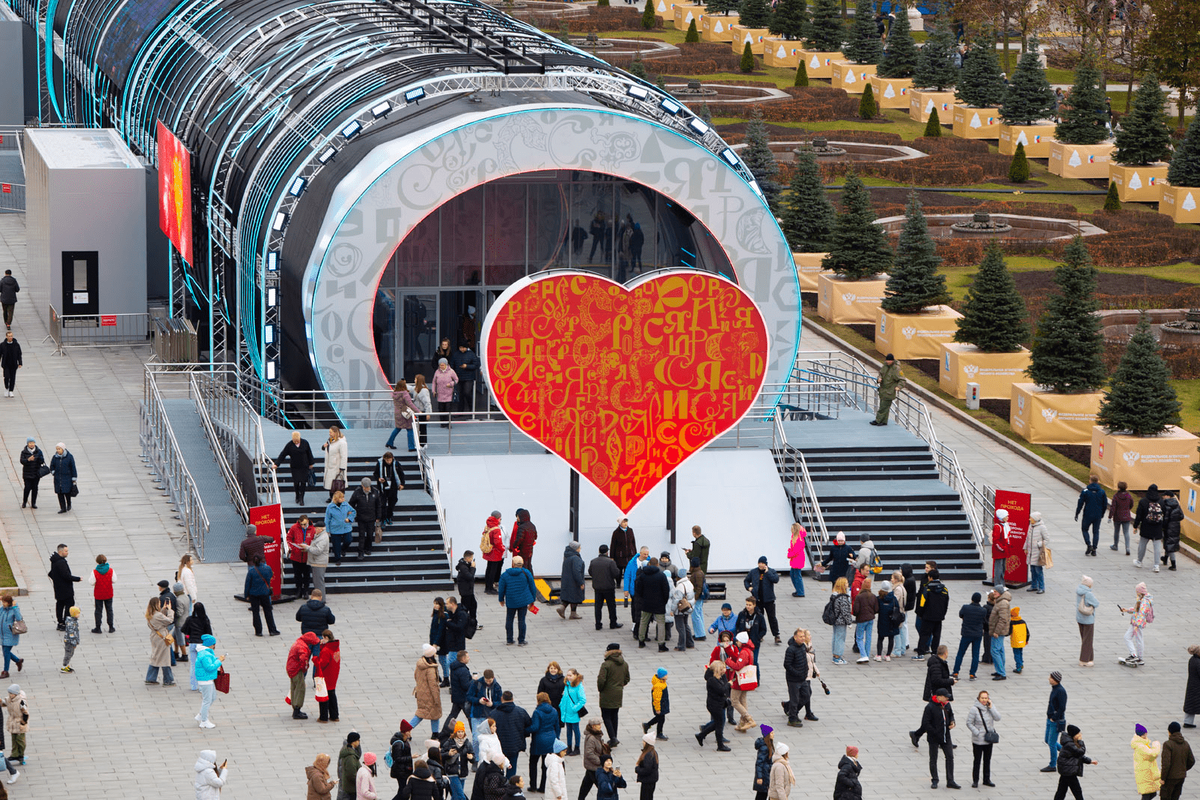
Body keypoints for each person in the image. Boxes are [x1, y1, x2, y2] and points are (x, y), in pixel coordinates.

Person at [912, 689, 959, 789]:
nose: (947, 698)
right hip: (934, 738)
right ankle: (935, 780)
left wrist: (952, 722)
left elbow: (951, 715)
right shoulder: (930, 707)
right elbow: (926, 723)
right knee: (933, 759)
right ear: (939, 696)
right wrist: (935, 732)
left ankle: (950, 780)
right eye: (945, 696)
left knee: (950, 757)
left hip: (946, 736)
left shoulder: (947, 704)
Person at [490, 690, 531, 780]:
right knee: (512, 767)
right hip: (514, 745)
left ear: (502, 699)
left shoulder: (494, 713)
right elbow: (528, 725)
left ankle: (499, 784)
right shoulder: (521, 711)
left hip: (499, 746)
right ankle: (510, 785)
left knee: (498, 766)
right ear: (512, 699)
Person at [783, 628, 818, 727]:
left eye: (803, 636)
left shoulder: (803, 647)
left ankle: (792, 711)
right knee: (794, 699)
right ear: (795, 637)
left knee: (806, 695)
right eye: (800, 636)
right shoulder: (791, 649)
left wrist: (806, 670)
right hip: (793, 679)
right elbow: (787, 665)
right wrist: (796, 673)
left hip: (803, 678)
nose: (803, 638)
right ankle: (792, 718)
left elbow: (805, 660)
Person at [597, 643, 630, 748]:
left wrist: (601, 689)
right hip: (618, 693)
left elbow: (601, 680)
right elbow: (627, 678)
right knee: (614, 715)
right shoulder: (624, 664)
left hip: (607, 693)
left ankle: (613, 738)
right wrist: (619, 686)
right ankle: (614, 736)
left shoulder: (606, 665)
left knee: (606, 716)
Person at [497, 556, 536, 646]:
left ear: (513, 564)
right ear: (522, 564)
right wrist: (532, 600)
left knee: (509, 620)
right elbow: (532, 587)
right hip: (523, 601)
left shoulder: (505, 575)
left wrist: (501, 599)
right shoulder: (526, 573)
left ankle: (509, 639)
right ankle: (521, 640)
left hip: (511, 601)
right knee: (522, 620)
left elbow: (501, 588)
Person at [965, 690, 1000, 788]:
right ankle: (975, 780)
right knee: (977, 760)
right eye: (982, 698)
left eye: (986, 698)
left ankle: (986, 779)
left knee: (987, 760)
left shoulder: (990, 707)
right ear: (978, 698)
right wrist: (977, 732)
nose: (984, 700)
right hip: (978, 740)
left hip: (989, 738)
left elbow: (998, 718)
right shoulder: (974, 709)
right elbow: (969, 723)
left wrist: (991, 707)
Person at [634, 558, 670, 652]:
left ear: (649, 564)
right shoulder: (661, 576)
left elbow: (638, 590)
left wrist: (643, 599)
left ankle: (641, 641)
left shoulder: (643, 575)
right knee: (661, 623)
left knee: (643, 622)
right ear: (657, 564)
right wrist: (664, 601)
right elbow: (666, 591)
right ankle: (661, 644)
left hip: (646, 603)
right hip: (659, 603)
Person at [744, 557, 781, 645]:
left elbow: (775, 580)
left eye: (762, 563)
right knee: (759, 618)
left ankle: (776, 635)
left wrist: (767, 572)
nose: (761, 565)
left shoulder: (771, 571)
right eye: (759, 563)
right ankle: (759, 635)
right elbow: (746, 580)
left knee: (772, 618)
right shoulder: (753, 572)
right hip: (757, 600)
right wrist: (749, 587)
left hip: (769, 599)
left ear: (766, 564)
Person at [1055, 725, 1097, 800]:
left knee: (1061, 791)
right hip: (1068, 770)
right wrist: (1081, 742)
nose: (1080, 735)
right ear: (1074, 735)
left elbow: (1077, 755)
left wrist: (1089, 761)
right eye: (1078, 734)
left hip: (1066, 769)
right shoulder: (1069, 744)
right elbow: (1081, 752)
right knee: (1077, 791)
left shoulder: (1070, 743)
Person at [726, 632, 758, 731]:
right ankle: (742, 723)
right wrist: (728, 650)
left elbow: (738, 666)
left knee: (734, 701)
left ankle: (749, 719)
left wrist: (727, 661)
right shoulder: (748, 650)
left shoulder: (744, 652)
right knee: (743, 699)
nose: (736, 643)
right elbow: (739, 659)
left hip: (739, 680)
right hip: (746, 680)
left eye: (738, 641)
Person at [468, 669, 503, 761]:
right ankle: (476, 759)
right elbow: (469, 696)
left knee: (491, 740)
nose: (488, 682)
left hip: (490, 716)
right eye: (486, 680)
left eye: (490, 680)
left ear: (493, 678)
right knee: (476, 738)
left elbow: (500, 702)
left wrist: (492, 704)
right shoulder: (477, 684)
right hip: (477, 715)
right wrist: (478, 701)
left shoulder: (497, 687)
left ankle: (488, 758)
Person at [915, 568, 949, 659]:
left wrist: (921, 614)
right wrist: (942, 614)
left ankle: (921, 653)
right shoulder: (944, 589)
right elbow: (946, 604)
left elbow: (922, 603)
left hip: (927, 617)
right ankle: (934, 653)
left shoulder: (927, 589)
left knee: (924, 635)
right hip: (939, 617)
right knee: (936, 635)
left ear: (930, 578)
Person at [273, 431, 315, 504]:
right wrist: (276, 464)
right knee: (296, 482)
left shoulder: (305, 443)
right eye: (294, 441)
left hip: (304, 466)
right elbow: (283, 455)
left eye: (297, 441)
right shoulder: (289, 445)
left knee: (303, 482)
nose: (296, 442)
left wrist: (311, 463)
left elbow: (309, 453)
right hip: (295, 467)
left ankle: (302, 498)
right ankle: (297, 495)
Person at [951, 592, 986, 680]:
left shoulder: (965, 607)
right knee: (975, 654)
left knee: (960, 653)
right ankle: (972, 674)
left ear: (972, 599)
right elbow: (984, 621)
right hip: (977, 634)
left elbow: (960, 615)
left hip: (966, 633)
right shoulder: (983, 610)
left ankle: (955, 672)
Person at [528, 692, 559, 791]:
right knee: (545, 765)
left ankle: (533, 786)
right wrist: (556, 738)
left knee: (533, 763)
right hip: (551, 739)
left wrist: (524, 730)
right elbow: (557, 727)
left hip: (539, 740)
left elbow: (535, 727)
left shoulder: (537, 712)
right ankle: (543, 787)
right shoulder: (554, 710)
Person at [1120, 582, 1154, 667]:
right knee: (1135, 638)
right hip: (1136, 623)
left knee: (1132, 638)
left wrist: (1136, 625)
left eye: (1137, 591)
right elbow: (1136, 610)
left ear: (1140, 591)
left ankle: (1136, 656)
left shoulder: (1144, 601)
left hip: (1137, 624)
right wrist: (1127, 610)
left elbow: (1141, 614)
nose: (1136, 592)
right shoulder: (1141, 599)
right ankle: (1137, 656)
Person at [589, 545, 622, 631]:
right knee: (611, 606)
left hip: (597, 587)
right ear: (607, 552)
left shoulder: (593, 561)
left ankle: (598, 624)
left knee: (598, 607)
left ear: (599, 551)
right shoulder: (610, 562)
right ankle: (613, 623)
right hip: (609, 587)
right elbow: (616, 573)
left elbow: (590, 572)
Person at [244, 556, 280, 637]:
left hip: (253, 594)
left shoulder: (251, 571)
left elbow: (247, 584)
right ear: (262, 560)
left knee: (255, 612)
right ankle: (272, 630)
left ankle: (258, 631)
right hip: (264, 593)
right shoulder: (267, 568)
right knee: (268, 611)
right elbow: (270, 576)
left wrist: (246, 595)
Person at [412, 643, 443, 734]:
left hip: (421, 693)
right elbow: (433, 685)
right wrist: (436, 698)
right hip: (429, 695)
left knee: (424, 713)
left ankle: (406, 730)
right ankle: (435, 733)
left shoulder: (420, 664)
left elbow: (415, 676)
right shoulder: (430, 669)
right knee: (433, 714)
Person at [287, 632, 319, 720]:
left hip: (291, 668)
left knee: (294, 687)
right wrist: (305, 668)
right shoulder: (303, 647)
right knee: (300, 689)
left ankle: (295, 708)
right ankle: (297, 710)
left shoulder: (299, 642)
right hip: (296, 669)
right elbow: (304, 660)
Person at [1133, 484, 1166, 571]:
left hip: (1146, 526)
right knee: (1157, 547)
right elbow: (1165, 514)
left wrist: (1135, 526)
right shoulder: (1161, 502)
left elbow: (1139, 515)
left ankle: (1139, 561)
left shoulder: (1143, 501)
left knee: (1142, 545)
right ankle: (1156, 565)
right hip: (1157, 527)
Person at [194, 633, 223, 728]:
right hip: (205, 679)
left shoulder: (205, 652)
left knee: (213, 697)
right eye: (214, 644)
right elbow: (209, 667)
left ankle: (201, 715)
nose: (214, 646)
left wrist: (217, 659)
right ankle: (204, 721)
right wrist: (219, 661)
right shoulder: (205, 654)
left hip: (207, 679)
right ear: (211, 644)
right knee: (207, 700)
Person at [1075, 475, 1108, 557]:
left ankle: (1088, 544)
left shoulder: (1085, 491)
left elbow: (1080, 503)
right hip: (1098, 514)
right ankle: (1094, 549)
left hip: (1087, 514)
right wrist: (1102, 514)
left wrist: (1077, 513)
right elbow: (1105, 505)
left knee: (1085, 529)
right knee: (1096, 531)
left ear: (1090, 481)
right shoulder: (1102, 492)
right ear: (1098, 481)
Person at [145, 597, 175, 685]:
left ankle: (151, 678)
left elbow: (159, 617)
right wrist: (170, 610)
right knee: (165, 658)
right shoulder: (158, 615)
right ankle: (168, 680)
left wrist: (163, 610)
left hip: (155, 636)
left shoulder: (150, 614)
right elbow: (169, 620)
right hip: (162, 637)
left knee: (156, 656)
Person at [348, 478, 381, 559]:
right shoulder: (357, 492)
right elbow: (351, 503)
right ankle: (360, 551)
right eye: (365, 487)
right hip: (361, 518)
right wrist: (351, 512)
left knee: (370, 534)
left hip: (372, 518)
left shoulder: (375, 492)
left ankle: (368, 548)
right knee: (362, 535)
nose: (366, 489)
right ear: (362, 485)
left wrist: (378, 517)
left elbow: (379, 506)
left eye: (368, 487)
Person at [1161, 721, 1195, 800]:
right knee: (1175, 797)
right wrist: (1183, 769)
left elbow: (1166, 764)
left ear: (1169, 732)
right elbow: (1191, 761)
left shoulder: (1168, 744)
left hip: (1170, 778)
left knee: (1165, 797)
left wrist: (1163, 778)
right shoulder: (1185, 744)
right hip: (1181, 777)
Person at [870, 353, 906, 426]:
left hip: (890, 391)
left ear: (892, 361)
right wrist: (879, 379)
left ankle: (878, 420)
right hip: (883, 390)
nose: (888, 362)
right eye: (887, 360)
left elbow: (902, 380)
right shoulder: (885, 366)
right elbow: (880, 373)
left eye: (889, 360)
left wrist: (898, 387)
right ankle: (883, 421)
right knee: (884, 406)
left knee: (883, 407)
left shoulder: (896, 369)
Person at [314, 629, 341, 723]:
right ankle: (334, 715)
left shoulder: (326, 650)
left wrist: (315, 660)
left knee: (324, 696)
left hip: (325, 676)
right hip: (333, 675)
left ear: (326, 638)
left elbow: (322, 663)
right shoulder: (335, 647)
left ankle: (323, 717)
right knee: (332, 695)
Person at [386, 379, 422, 450]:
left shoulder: (395, 393)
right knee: (410, 429)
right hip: (405, 413)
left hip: (397, 413)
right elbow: (410, 404)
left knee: (397, 428)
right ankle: (411, 447)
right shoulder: (405, 393)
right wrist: (418, 411)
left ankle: (390, 442)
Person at [443, 721, 475, 800]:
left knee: (455, 796)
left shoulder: (467, 743)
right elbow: (441, 755)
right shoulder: (449, 743)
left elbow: (473, 758)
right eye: (458, 732)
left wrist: (471, 758)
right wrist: (448, 754)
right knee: (461, 796)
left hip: (463, 773)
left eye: (462, 732)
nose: (460, 734)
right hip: (452, 772)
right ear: (455, 732)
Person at [1043, 671, 1068, 772]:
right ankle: (1066, 751)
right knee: (1047, 740)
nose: (1049, 679)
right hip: (1050, 719)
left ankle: (1053, 765)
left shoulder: (1060, 691)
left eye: (1050, 677)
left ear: (1055, 680)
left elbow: (1062, 707)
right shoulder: (1055, 689)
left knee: (1052, 743)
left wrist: (1054, 717)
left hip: (1055, 721)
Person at [736, 597, 768, 673]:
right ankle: (744, 680)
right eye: (747, 604)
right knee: (742, 661)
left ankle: (756, 679)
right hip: (743, 643)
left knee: (754, 661)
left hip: (754, 643)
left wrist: (757, 638)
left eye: (750, 605)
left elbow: (763, 629)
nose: (748, 606)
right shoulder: (742, 614)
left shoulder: (759, 616)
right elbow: (737, 626)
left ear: (754, 605)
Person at [1131, 723, 1162, 800]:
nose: (1146, 736)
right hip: (1145, 774)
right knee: (1147, 795)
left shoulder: (1142, 744)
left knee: (1152, 793)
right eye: (1145, 734)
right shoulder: (1140, 746)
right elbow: (1152, 754)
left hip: (1147, 772)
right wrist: (1156, 745)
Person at [324, 490, 356, 566]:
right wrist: (327, 529)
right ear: (337, 499)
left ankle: (343, 549)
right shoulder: (330, 507)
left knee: (348, 540)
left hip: (346, 527)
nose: (343, 499)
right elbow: (327, 518)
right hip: (335, 528)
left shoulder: (346, 504)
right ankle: (337, 558)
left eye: (343, 497)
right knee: (336, 544)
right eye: (341, 498)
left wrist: (349, 518)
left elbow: (353, 512)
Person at [372, 452, 404, 525]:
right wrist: (379, 479)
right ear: (384, 458)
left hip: (393, 486)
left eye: (390, 460)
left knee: (392, 502)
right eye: (387, 460)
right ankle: (383, 518)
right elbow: (375, 473)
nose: (389, 462)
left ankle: (389, 517)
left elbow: (401, 474)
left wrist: (402, 484)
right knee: (382, 503)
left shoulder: (396, 464)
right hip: (383, 486)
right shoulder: (380, 463)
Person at [285, 516, 315, 597]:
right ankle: (298, 590)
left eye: (305, 524)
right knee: (297, 575)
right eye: (301, 524)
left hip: (307, 556)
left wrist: (309, 547)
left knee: (307, 575)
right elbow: (288, 539)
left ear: (308, 521)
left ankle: (306, 591)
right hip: (296, 556)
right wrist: (294, 548)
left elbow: (315, 541)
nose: (303, 526)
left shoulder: (313, 529)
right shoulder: (294, 527)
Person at [579, 720, 608, 799]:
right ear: (593, 726)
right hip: (594, 767)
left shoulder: (596, 735)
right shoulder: (591, 738)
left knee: (586, 785)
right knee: (603, 788)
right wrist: (599, 761)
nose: (600, 726)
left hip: (592, 767)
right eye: (598, 724)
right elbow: (589, 753)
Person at [851, 577, 877, 665]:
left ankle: (863, 655)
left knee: (859, 638)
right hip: (870, 619)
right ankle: (867, 654)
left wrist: (855, 615)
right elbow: (876, 608)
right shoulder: (873, 596)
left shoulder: (859, 596)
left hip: (861, 619)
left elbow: (856, 610)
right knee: (868, 637)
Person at [561, 669, 586, 756]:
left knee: (575, 730)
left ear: (575, 675)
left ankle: (577, 748)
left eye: (570, 675)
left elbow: (583, 700)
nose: (568, 677)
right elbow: (565, 697)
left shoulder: (579, 686)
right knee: (568, 731)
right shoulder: (567, 685)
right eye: (568, 675)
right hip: (567, 712)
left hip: (573, 712)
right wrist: (561, 706)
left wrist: (574, 708)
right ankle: (569, 747)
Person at [623, 547, 649, 631]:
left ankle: (644, 624)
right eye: (644, 554)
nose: (646, 556)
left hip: (645, 590)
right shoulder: (632, 562)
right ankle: (635, 623)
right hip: (634, 589)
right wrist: (626, 589)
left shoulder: (649, 562)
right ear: (640, 553)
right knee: (634, 607)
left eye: (647, 554)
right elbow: (627, 576)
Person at [667, 568, 694, 651]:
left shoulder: (680, 586)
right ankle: (690, 643)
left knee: (680, 627)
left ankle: (681, 645)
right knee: (685, 625)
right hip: (687, 607)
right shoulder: (689, 583)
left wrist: (672, 610)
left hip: (680, 609)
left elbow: (676, 600)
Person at [988, 587, 1011, 680]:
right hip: (999, 631)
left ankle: (1001, 673)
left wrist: (996, 631)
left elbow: (1003, 619)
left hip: (998, 631)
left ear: (1000, 593)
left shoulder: (1002, 603)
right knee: (1000, 650)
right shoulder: (1001, 601)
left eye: (996, 591)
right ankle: (1000, 670)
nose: (994, 593)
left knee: (995, 651)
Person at [558, 542, 586, 620]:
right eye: (579, 547)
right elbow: (577, 571)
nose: (580, 549)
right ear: (575, 549)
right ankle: (573, 613)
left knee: (569, 595)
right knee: (575, 596)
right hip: (574, 581)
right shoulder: (576, 558)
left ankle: (562, 608)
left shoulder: (567, 556)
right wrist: (580, 582)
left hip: (567, 580)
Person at [1075, 575, 1098, 667]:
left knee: (1085, 638)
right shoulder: (1088, 593)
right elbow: (1096, 603)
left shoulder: (1079, 591)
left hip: (1080, 618)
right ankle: (1084, 660)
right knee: (1087, 640)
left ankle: (1090, 658)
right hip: (1088, 619)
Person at [321, 427, 349, 502]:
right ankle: (331, 497)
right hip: (330, 465)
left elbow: (344, 456)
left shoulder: (342, 442)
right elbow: (327, 448)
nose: (329, 433)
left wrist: (342, 467)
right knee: (331, 483)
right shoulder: (330, 440)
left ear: (335, 432)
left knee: (338, 483)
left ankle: (339, 498)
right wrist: (324, 447)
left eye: (331, 432)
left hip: (337, 466)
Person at [1024, 511, 1049, 594]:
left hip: (1038, 553)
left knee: (1038, 570)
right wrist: (1025, 547)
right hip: (1031, 552)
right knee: (1032, 570)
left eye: (1031, 518)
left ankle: (1041, 587)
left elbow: (1047, 539)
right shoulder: (1030, 526)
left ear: (1035, 519)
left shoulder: (1042, 527)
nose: (1029, 519)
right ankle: (1034, 585)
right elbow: (1027, 538)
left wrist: (1038, 544)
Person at [829, 577, 853, 665]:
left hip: (835, 619)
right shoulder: (843, 597)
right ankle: (837, 657)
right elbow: (845, 612)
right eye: (846, 583)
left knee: (835, 637)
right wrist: (849, 622)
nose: (848, 585)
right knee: (840, 639)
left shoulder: (834, 595)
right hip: (841, 621)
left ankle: (834, 655)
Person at [0, 596, 24, 681]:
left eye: (4, 602)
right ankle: (18, 661)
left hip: (10, 634)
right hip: (2, 634)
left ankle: (5, 671)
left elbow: (19, 618)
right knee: (6, 652)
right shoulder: (2, 609)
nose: (3, 604)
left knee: (6, 652)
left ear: (9, 603)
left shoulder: (13, 609)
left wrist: (15, 607)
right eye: (2, 602)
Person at [48, 443, 76, 514]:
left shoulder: (69, 457)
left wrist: (74, 478)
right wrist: (53, 472)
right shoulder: (55, 457)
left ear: (63, 449)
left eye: (59, 449)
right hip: (58, 478)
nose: (58, 450)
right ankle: (63, 508)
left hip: (67, 478)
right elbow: (52, 465)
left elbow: (73, 467)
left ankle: (69, 504)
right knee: (60, 494)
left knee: (67, 493)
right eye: (57, 449)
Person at [642, 668, 669, 741]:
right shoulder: (658, 685)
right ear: (662, 676)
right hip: (660, 705)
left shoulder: (662, 682)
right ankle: (659, 733)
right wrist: (657, 708)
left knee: (659, 718)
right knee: (661, 719)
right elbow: (657, 698)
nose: (667, 676)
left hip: (662, 704)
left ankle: (647, 725)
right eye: (666, 675)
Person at [452, 343, 480, 414]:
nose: (462, 349)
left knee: (467, 392)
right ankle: (460, 411)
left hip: (469, 377)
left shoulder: (471, 354)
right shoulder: (456, 354)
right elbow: (452, 364)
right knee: (460, 394)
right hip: (458, 377)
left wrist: (467, 366)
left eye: (463, 348)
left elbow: (476, 365)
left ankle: (471, 408)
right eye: (460, 347)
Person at [4, 685, 27, 769]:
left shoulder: (21, 702)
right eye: (9, 693)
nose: (10, 695)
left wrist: (23, 722)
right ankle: (14, 754)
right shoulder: (9, 700)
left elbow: (25, 712)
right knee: (14, 739)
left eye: (12, 693)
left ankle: (21, 755)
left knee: (20, 740)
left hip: (19, 723)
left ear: (16, 694)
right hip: (13, 723)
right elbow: (4, 702)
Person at [482, 512, 506, 595]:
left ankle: (487, 587)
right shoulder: (496, 528)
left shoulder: (488, 525)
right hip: (495, 552)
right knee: (493, 570)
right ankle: (490, 588)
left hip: (489, 551)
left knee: (488, 569)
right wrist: (503, 548)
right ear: (498, 518)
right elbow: (497, 542)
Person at [387, 722, 413, 797]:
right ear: (405, 732)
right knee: (403, 791)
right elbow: (398, 758)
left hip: (404, 770)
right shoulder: (398, 743)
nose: (410, 733)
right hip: (401, 771)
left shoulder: (404, 740)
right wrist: (411, 757)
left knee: (403, 790)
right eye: (409, 731)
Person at [875, 581, 899, 661]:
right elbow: (897, 608)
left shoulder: (879, 598)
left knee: (880, 638)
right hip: (891, 622)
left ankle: (878, 655)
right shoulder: (893, 598)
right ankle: (888, 655)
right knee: (891, 638)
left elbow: (876, 609)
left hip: (882, 621)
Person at [432, 358, 458, 427]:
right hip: (440, 394)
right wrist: (433, 391)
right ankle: (442, 423)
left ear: (446, 365)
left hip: (448, 393)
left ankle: (448, 423)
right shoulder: (437, 372)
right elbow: (434, 382)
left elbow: (456, 379)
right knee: (441, 409)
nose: (441, 367)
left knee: (448, 409)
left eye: (443, 365)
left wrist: (451, 384)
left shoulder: (451, 371)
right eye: (440, 365)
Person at [1110, 481, 1135, 555]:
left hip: (1117, 516)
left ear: (1118, 487)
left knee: (1116, 531)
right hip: (1126, 515)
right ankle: (1127, 548)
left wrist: (1110, 516)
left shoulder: (1116, 496)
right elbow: (1131, 504)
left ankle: (1115, 545)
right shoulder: (1129, 496)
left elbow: (1113, 507)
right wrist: (1127, 509)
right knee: (1126, 532)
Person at [307, 524, 331, 596]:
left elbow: (318, 550)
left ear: (321, 529)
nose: (315, 530)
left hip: (319, 562)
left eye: (316, 528)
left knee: (318, 582)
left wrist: (307, 548)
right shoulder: (320, 536)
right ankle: (319, 598)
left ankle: (321, 599)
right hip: (317, 562)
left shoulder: (323, 537)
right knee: (317, 582)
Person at [456, 551, 479, 627]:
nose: (472, 560)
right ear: (468, 558)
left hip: (468, 590)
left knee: (473, 605)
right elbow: (470, 576)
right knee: (466, 607)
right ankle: (466, 622)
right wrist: (472, 568)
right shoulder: (463, 567)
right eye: (471, 558)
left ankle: (473, 622)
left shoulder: (464, 564)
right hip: (466, 590)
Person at [1162, 490, 1184, 571]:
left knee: (1169, 544)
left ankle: (1173, 564)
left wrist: (1163, 526)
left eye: (1164, 496)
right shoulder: (1177, 504)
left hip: (1168, 527)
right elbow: (1182, 516)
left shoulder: (1166, 505)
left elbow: (1166, 519)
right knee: (1170, 543)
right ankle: (1165, 558)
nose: (1163, 497)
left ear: (1168, 496)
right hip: (1176, 527)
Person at [18, 439, 42, 509]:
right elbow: (22, 461)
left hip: (36, 473)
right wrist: (28, 460)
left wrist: (39, 458)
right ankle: (24, 502)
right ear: (28, 444)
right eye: (30, 443)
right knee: (27, 488)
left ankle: (33, 503)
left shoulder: (38, 451)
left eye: (33, 443)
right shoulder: (24, 452)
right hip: (27, 473)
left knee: (35, 488)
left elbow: (42, 460)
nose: (32, 444)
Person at [633, 732, 658, 800]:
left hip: (647, 781)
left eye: (644, 741)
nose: (642, 742)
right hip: (651, 780)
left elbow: (647, 769)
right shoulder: (653, 752)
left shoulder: (648, 755)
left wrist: (637, 769)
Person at [785, 523, 806, 598]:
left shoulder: (798, 539)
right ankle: (798, 590)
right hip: (796, 559)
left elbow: (796, 551)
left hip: (797, 559)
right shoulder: (795, 537)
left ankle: (800, 592)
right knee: (794, 575)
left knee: (796, 575)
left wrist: (789, 554)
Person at [341, 732, 364, 800]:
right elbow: (351, 774)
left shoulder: (349, 750)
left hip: (350, 786)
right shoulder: (350, 757)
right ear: (354, 742)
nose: (359, 742)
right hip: (352, 787)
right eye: (358, 740)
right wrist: (359, 781)